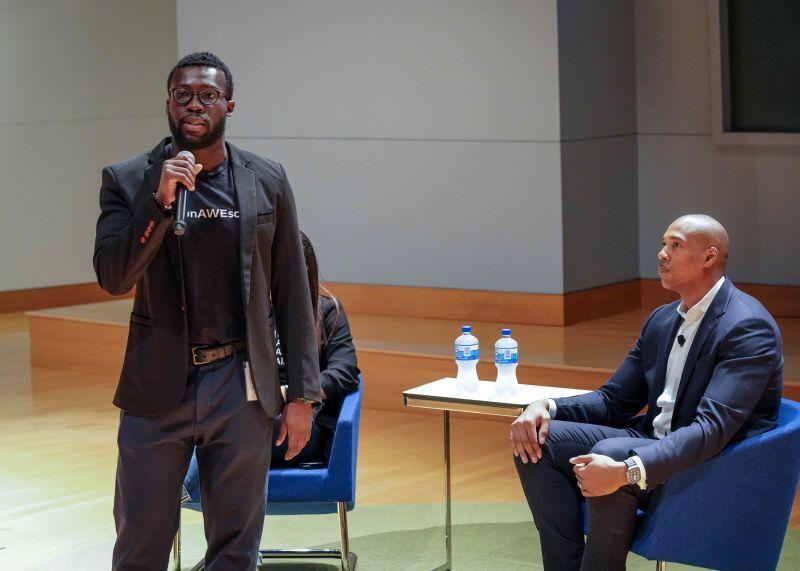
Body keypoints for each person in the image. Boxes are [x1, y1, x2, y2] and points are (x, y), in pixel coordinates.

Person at [93, 51, 321, 570]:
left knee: (236, 545)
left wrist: (303, 394)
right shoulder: (129, 180)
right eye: (184, 95)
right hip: (157, 386)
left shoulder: (267, 179)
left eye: (208, 95)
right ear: (169, 104)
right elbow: (113, 276)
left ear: (229, 105)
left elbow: (293, 294)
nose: (195, 104)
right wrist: (159, 202)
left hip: (240, 384)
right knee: (139, 541)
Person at [511, 214, 783, 571]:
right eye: (663, 244)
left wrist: (629, 470)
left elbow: (711, 430)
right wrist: (544, 406)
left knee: (611, 453)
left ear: (709, 257)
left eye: (676, 245)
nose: (662, 254)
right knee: (537, 439)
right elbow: (613, 400)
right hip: (652, 437)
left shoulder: (747, 326)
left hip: (716, 461)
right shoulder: (662, 319)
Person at [271, 231, 361, 467]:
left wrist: (297, 395)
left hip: (305, 425)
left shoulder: (328, 310)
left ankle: (179, 492)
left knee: (238, 436)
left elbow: (345, 372)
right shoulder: (248, 314)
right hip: (254, 415)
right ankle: (179, 493)